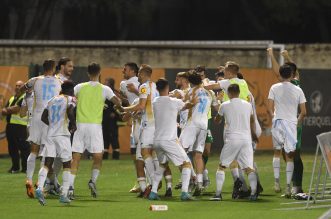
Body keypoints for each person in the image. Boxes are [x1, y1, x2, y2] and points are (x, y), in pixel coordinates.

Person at [69, 63, 121, 199]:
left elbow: (69, 97)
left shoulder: (79, 87)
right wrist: (103, 104)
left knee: (76, 157)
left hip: (80, 125)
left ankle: (70, 187)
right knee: (98, 156)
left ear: (87, 73)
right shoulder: (105, 89)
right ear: (99, 73)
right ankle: (92, 181)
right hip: (95, 127)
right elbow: (118, 102)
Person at [21, 59, 62, 198]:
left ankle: (28, 179)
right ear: (54, 68)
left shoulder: (35, 79)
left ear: (43, 68)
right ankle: (41, 183)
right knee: (47, 152)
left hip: (36, 117)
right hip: (49, 118)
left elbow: (23, 88)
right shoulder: (59, 81)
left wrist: (27, 90)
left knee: (33, 151)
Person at [148, 78, 194, 201]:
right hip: (169, 140)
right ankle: (184, 193)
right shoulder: (174, 101)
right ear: (168, 87)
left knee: (162, 165)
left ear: (157, 89)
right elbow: (187, 105)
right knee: (187, 164)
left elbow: (173, 105)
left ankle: (153, 192)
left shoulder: (155, 101)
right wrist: (193, 100)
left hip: (157, 140)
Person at [211, 84, 259, 201]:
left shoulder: (225, 105)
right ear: (238, 92)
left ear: (229, 93)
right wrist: (253, 135)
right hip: (246, 139)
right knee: (249, 168)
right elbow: (252, 120)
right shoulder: (248, 105)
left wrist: (217, 104)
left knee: (222, 166)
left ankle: (218, 194)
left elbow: (217, 121)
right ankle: (253, 194)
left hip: (232, 139)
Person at [267, 48, 304, 195]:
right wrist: (286, 56)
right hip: (292, 123)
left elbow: (278, 72)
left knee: (291, 154)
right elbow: (285, 72)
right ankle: (291, 185)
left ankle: (295, 185)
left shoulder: (282, 85)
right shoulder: (295, 84)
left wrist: (271, 55)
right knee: (288, 154)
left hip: (282, 122)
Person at [120, 64, 160, 198]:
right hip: (156, 124)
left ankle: (154, 182)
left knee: (143, 154)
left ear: (142, 74)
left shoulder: (143, 86)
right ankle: (145, 188)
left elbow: (142, 105)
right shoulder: (155, 87)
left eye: (139, 74)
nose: (138, 77)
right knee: (143, 155)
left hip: (147, 125)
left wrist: (126, 109)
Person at [34, 80, 77, 205]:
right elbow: (70, 111)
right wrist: (73, 124)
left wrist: (52, 125)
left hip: (50, 134)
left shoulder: (52, 99)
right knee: (67, 163)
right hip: (62, 134)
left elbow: (43, 117)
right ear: (70, 90)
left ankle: (39, 187)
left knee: (47, 162)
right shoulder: (71, 99)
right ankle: (64, 194)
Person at [179, 70, 212, 196]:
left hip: (192, 124)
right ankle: (199, 183)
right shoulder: (209, 93)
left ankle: (191, 179)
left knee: (180, 151)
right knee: (198, 155)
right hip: (204, 125)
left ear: (190, 82)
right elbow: (215, 106)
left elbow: (185, 105)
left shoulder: (191, 91)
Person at [195, 65, 220, 190]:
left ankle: (201, 174)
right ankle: (200, 177)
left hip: (207, 120)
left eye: (202, 74)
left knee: (206, 151)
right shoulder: (192, 87)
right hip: (194, 122)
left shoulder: (208, 85)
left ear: (205, 74)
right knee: (195, 151)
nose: (200, 76)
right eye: (198, 74)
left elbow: (216, 102)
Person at [119, 62, 142, 192]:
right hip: (136, 121)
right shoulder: (148, 85)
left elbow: (127, 99)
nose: (123, 71)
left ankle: (148, 182)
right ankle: (141, 182)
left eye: (125, 69)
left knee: (141, 154)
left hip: (142, 122)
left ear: (133, 71)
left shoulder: (124, 84)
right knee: (137, 154)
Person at [1, 81, 29, 174]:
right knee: (12, 148)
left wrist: (5, 110)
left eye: (19, 86)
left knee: (24, 148)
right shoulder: (12, 98)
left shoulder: (25, 97)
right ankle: (15, 167)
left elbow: (16, 109)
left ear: (23, 87)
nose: (17, 87)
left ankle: (25, 168)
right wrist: (3, 110)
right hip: (10, 126)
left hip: (21, 127)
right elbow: (4, 111)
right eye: (16, 85)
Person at [102, 78, 121, 160]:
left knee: (114, 136)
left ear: (111, 84)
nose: (105, 83)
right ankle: (104, 154)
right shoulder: (102, 92)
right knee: (104, 135)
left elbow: (120, 104)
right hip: (104, 118)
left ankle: (116, 154)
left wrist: (115, 113)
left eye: (107, 82)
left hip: (113, 120)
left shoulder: (115, 93)